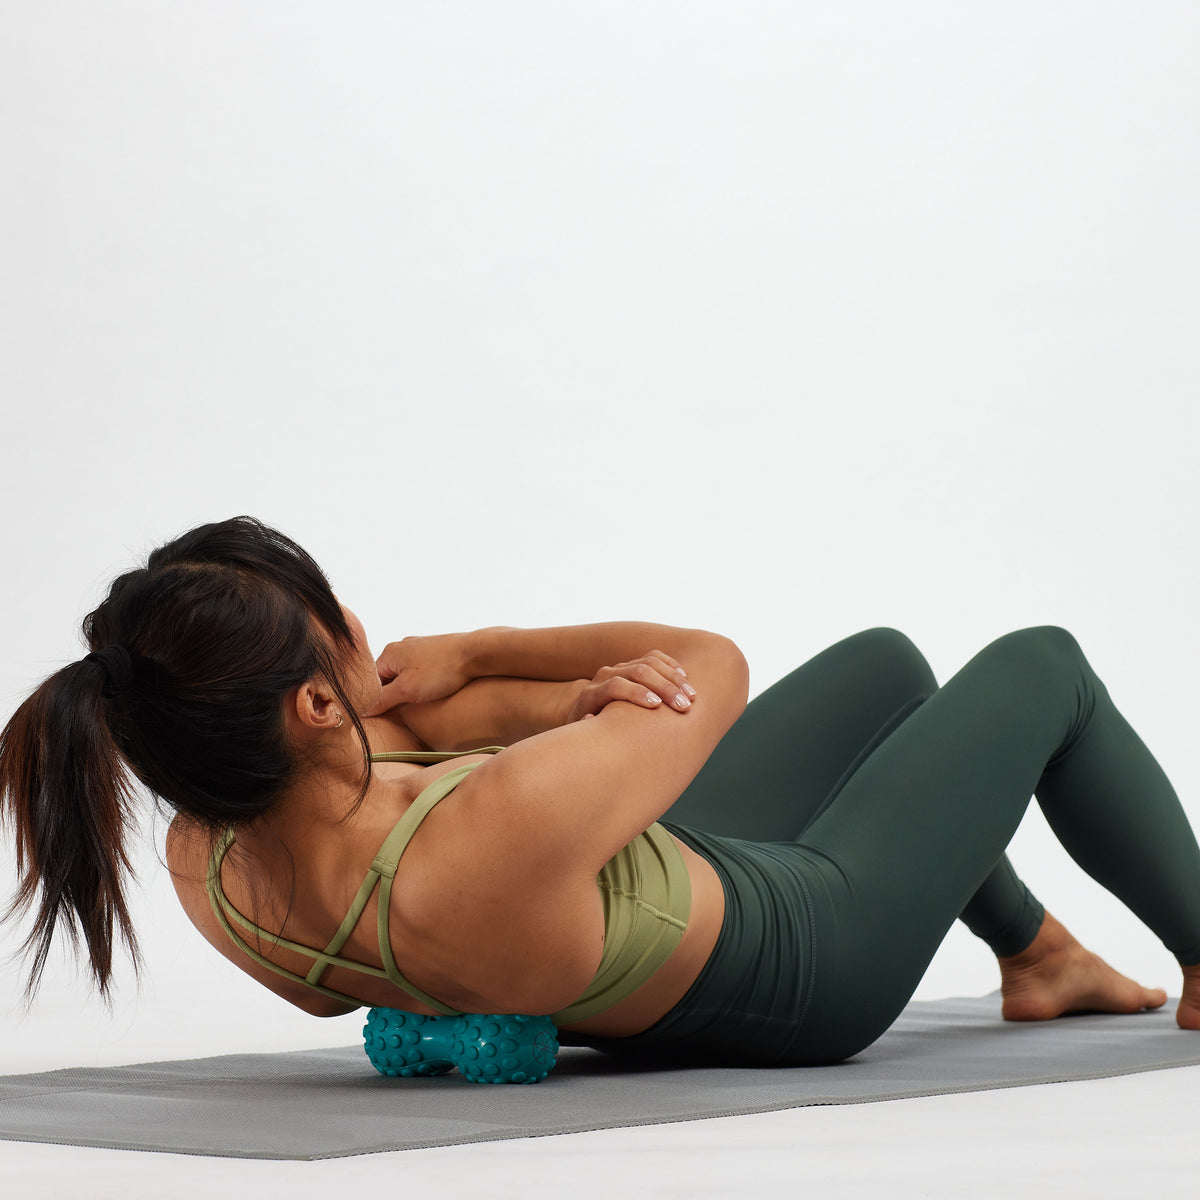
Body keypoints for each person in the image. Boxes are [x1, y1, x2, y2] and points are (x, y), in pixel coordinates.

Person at [2, 516, 1198, 1067]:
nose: (359, 629)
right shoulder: (483, 831)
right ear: (316, 705)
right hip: (814, 953)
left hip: (660, 909)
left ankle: (1039, 956)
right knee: (1043, 665)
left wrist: (538, 706)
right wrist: (482, 646)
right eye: (336, 618)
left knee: (885, 666)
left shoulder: (211, 869)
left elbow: (489, 729)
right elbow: (709, 666)